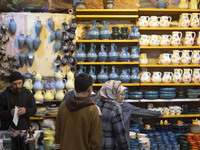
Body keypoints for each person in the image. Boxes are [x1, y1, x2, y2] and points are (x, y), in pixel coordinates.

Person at [55, 73, 102, 150]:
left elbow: (57, 131)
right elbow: (96, 140)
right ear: (90, 88)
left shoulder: (63, 106)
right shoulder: (93, 109)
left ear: (75, 88)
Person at [96, 80, 130, 150]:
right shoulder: (115, 107)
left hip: (98, 145)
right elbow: (120, 134)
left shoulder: (97, 104)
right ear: (114, 92)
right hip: (110, 146)